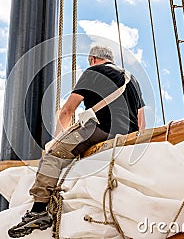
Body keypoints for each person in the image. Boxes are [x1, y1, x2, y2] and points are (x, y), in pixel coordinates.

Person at [8, 45, 145, 238]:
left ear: (93, 59)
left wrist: (56, 140)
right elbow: (141, 121)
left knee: (54, 156)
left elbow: (68, 110)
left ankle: (38, 210)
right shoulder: (133, 80)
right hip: (127, 137)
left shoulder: (95, 71)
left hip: (100, 130)